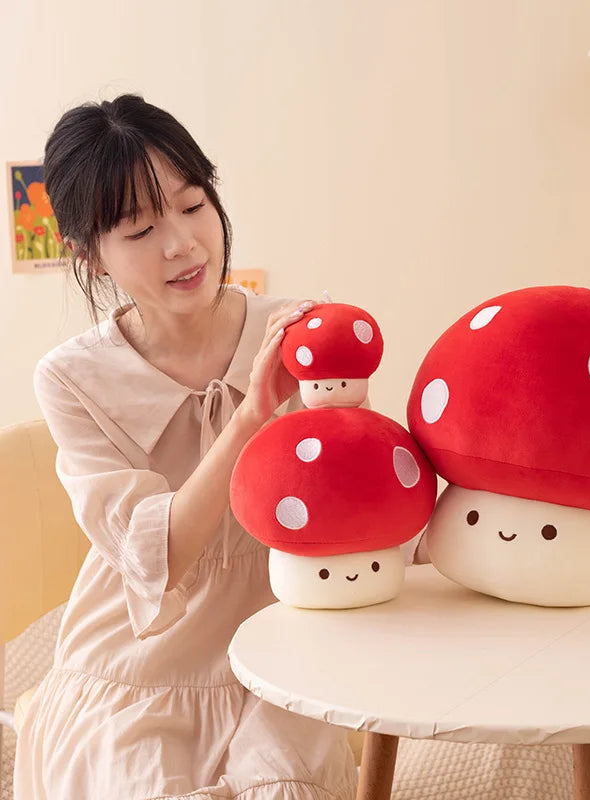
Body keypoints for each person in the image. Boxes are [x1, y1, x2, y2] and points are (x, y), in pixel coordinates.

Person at [13, 94, 358, 800]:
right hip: (135, 679)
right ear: (90, 253)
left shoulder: (296, 335)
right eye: (140, 229)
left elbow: (359, 516)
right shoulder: (74, 379)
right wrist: (251, 416)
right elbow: (158, 558)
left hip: (281, 666)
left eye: (194, 205)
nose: (182, 244)